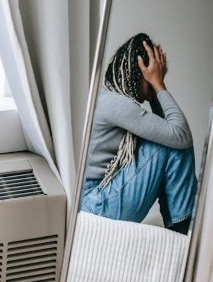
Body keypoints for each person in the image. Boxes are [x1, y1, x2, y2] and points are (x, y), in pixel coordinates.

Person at [81, 32, 195, 234]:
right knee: (172, 144)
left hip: (95, 201)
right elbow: (179, 135)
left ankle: (181, 226)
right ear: (140, 72)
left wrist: (154, 94)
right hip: (95, 206)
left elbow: (171, 130)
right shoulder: (117, 104)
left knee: (172, 141)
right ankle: (182, 227)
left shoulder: (110, 97)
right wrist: (159, 85)